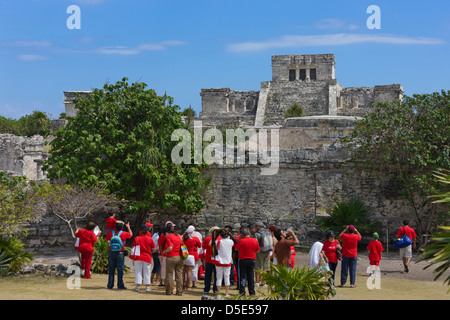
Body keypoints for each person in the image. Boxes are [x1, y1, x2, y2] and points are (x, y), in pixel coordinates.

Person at [106, 221, 133, 289]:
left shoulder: (110, 233)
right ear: (122, 227)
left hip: (111, 252)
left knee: (111, 269)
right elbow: (131, 235)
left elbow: (107, 240)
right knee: (120, 270)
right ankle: (120, 285)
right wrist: (128, 227)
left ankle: (110, 285)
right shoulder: (124, 233)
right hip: (120, 253)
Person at [234, 227, 260, 296]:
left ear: (242, 235)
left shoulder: (242, 241)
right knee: (251, 277)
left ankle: (242, 292)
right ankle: (252, 292)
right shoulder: (255, 240)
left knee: (243, 276)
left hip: (243, 260)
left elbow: (236, 248)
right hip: (251, 259)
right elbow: (258, 250)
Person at [130, 224, 156, 292]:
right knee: (147, 272)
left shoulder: (137, 238)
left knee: (138, 271)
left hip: (138, 257)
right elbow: (153, 248)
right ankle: (147, 287)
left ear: (140, 231)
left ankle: (137, 286)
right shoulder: (150, 239)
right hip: (147, 257)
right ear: (147, 231)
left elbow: (133, 247)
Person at [214, 228, 237, 299]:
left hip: (219, 261)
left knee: (219, 278)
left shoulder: (218, 241)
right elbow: (234, 243)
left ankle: (218, 293)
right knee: (227, 277)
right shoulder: (230, 241)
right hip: (227, 261)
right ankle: (227, 293)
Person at [161, 222, 184, 296]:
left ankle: (169, 291)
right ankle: (179, 291)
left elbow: (170, 247)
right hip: (180, 257)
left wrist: (165, 251)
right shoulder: (179, 236)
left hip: (171, 257)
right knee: (179, 275)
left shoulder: (169, 237)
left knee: (169, 274)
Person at [252, 221, 272, 287]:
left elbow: (254, 243)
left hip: (260, 251)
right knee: (266, 267)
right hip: (267, 251)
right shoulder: (268, 232)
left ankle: (258, 281)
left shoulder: (257, 234)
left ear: (258, 226)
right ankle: (264, 281)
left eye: (256, 226)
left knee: (258, 266)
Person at [182, 225, 201, 290]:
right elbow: (199, 245)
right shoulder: (195, 238)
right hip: (192, 255)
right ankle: (189, 286)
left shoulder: (183, 237)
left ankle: (183, 284)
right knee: (189, 271)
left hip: (184, 254)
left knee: (183, 271)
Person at [203, 226, 219, 295]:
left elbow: (203, 247)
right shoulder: (220, 239)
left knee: (208, 275)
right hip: (217, 260)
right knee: (216, 275)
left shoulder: (207, 239)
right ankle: (215, 290)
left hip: (209, 259)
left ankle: (206, 289)